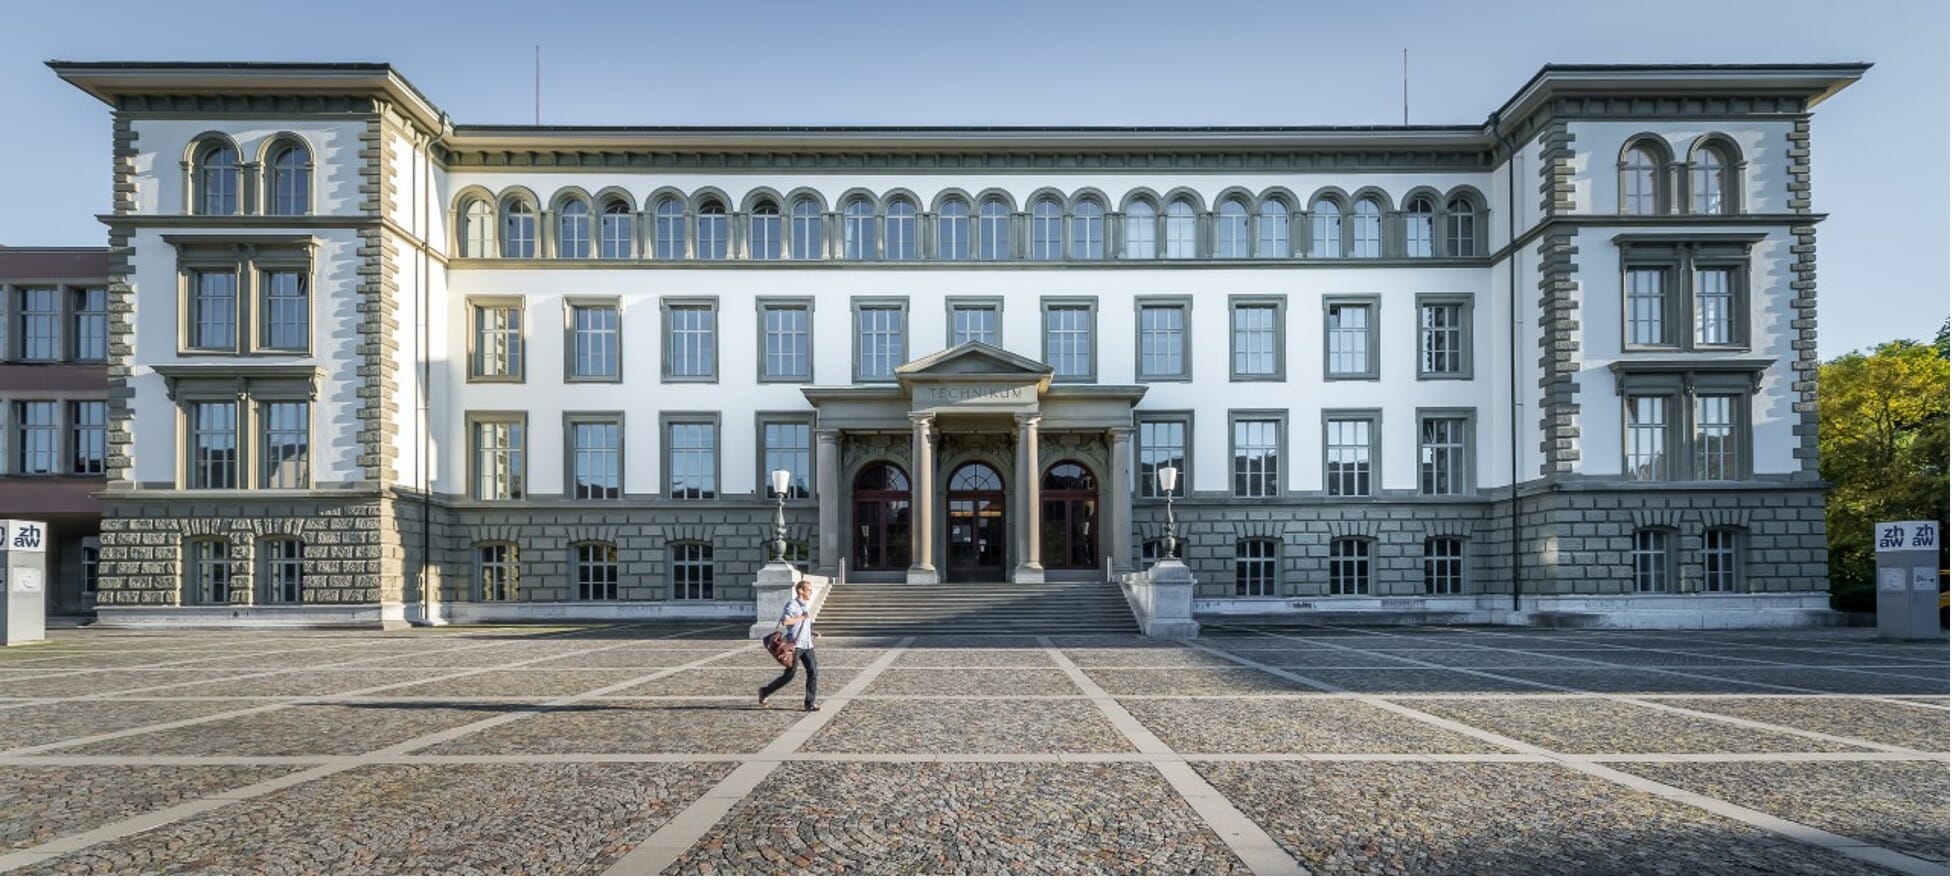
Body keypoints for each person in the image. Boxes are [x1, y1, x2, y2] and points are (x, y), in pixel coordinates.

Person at [759, 579, 820, 711]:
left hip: (808, 645)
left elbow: (802, 624)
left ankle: (810, 702)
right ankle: (765, 691)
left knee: (813, 672)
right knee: (790, 675)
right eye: (809, 590)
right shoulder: (792, 605)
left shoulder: (805, 605)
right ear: (800, 591)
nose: (811, 592)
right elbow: (785, 622)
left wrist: (812, 632)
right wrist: (801, 618)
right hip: (795, 646)